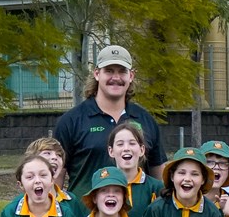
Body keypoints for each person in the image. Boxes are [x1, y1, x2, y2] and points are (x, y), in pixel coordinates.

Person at [54, 45, 165, 196]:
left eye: (122, 71)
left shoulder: (145, 120)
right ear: (97, 74)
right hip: (85, 216)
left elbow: (158, 176)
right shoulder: (71, 121)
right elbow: (56, 178)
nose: (116, 78)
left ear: (131, 76)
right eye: (109, 71)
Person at [107, 122, 165, 217]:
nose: (126, 148)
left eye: (132, 143)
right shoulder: (103, 187)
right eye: (120, 144)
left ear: (142, 150)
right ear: (111, 151)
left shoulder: (156, 187)